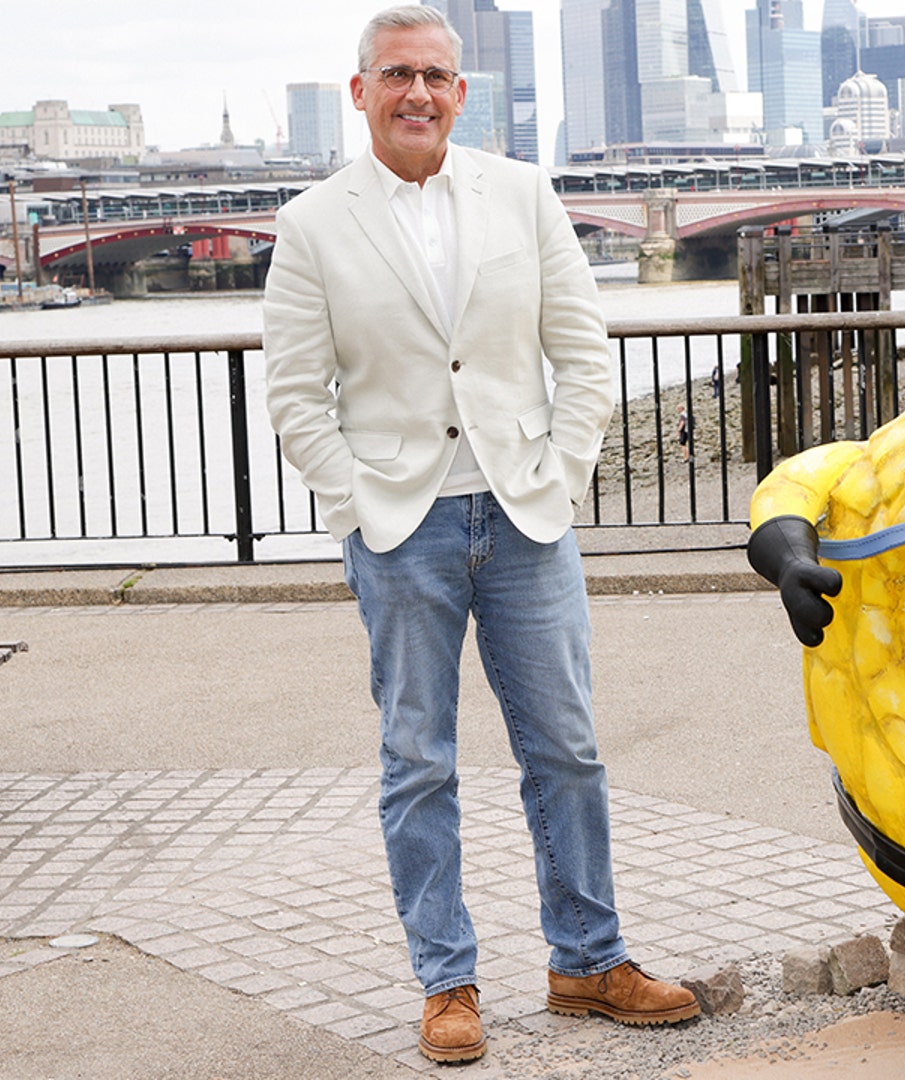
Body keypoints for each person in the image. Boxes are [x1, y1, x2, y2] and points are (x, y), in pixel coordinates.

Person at [261, 5, 698, 1064]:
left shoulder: (523, 193)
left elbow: (581, 352)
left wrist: (564, 473)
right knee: (418, 761)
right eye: (396, 74)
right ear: (361, 90)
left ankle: (588, 959)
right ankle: (446, 981)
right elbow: (295, 394)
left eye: (435, 76)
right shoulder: (312, 224)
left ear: (461, 94)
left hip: (524, 513)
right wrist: (355, 505)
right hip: (400, 526)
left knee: (568, 749)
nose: (417, 92)